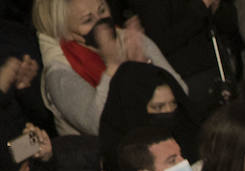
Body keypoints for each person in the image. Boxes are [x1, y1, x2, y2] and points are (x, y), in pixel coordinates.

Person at [32, 0, 184, 135]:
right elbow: (98, 124)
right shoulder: (60, 73)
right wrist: (113, 67)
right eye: (88, 20)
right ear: (67, 32)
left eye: (102, 10)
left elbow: (181, 91)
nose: (102, 23)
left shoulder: (129, 40)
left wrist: (145, 67)